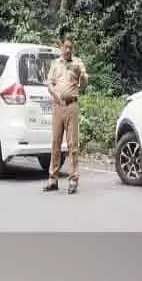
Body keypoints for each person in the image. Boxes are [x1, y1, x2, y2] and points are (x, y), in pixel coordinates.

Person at [44, 39, 88, 194]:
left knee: (72, 144)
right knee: (55, 143)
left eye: (70, 48)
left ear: (73, 50)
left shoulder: (77, 63)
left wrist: (80, 74)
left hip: (71, 105)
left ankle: (73, 179)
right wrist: (55, 94)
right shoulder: (56, 63)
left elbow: (85, 81)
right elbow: (49, 82)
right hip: (58, 106)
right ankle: (53, 178)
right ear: (62, 48)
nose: (68, 50)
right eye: (65, 47)